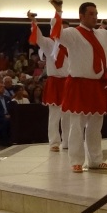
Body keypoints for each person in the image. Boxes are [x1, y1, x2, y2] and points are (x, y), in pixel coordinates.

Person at [49, 0, 107, 173]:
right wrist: (58, 12)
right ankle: (76, 161)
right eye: (91, 14)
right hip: (79, 84)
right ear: (81, 16)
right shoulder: (72, 33)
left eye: (96, 13)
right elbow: (56, 33)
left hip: (97, 85)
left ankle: (95, 160)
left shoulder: (103, 34)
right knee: (77, 126)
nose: (95, 17)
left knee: (96, 125)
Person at [30, 12, 71, 152]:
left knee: (68, 115)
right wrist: (34, 22)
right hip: (54, 81)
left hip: (68, 82)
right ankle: (54, 142)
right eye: (60, 28)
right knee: (54, 115)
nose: (62, 32)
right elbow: (39, 38)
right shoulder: (49, 44)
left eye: (65, 29)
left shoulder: (72, 46)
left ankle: (67, 141)